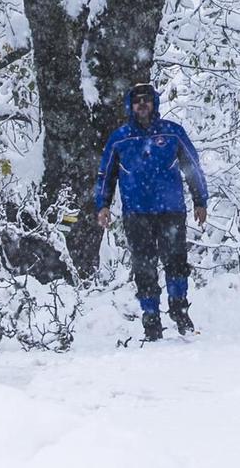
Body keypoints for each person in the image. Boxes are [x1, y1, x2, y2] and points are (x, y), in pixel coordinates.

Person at [94, 82, 209, 341]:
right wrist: (103, 205)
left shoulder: (172, 133)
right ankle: (150, 317)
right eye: (137, 101)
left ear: (154, 103)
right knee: (144, 266)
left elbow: (192, 166)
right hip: (136, 212)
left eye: (147, 99)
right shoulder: (120, 138)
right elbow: (105, 174)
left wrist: (200, 200)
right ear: (130, 106)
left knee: (176, 261)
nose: (142, 104)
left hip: (171, 209)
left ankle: (180, 309)